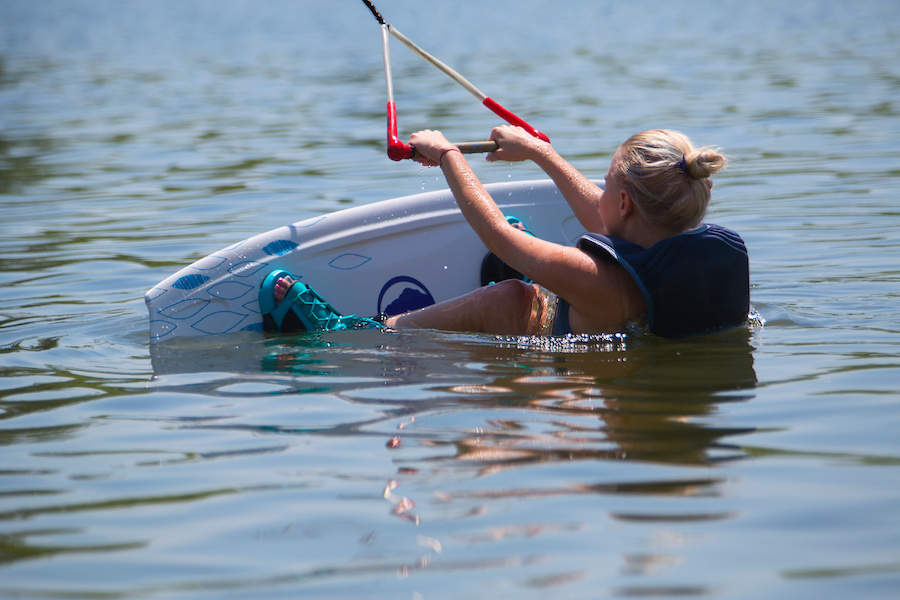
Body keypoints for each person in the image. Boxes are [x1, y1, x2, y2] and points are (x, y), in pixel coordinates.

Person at [260, 126, 749, 339]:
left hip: (566, 354)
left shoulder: (599, 281)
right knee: (533, 269)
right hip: (609, 329)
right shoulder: (669, 246)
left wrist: (447, 155)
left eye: (605, 184)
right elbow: (604, 222)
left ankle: (354, 333)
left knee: (513, 297)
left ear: (623, 202)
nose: (597, 193)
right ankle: (529, 267)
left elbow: (496, 234)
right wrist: (539, 151)